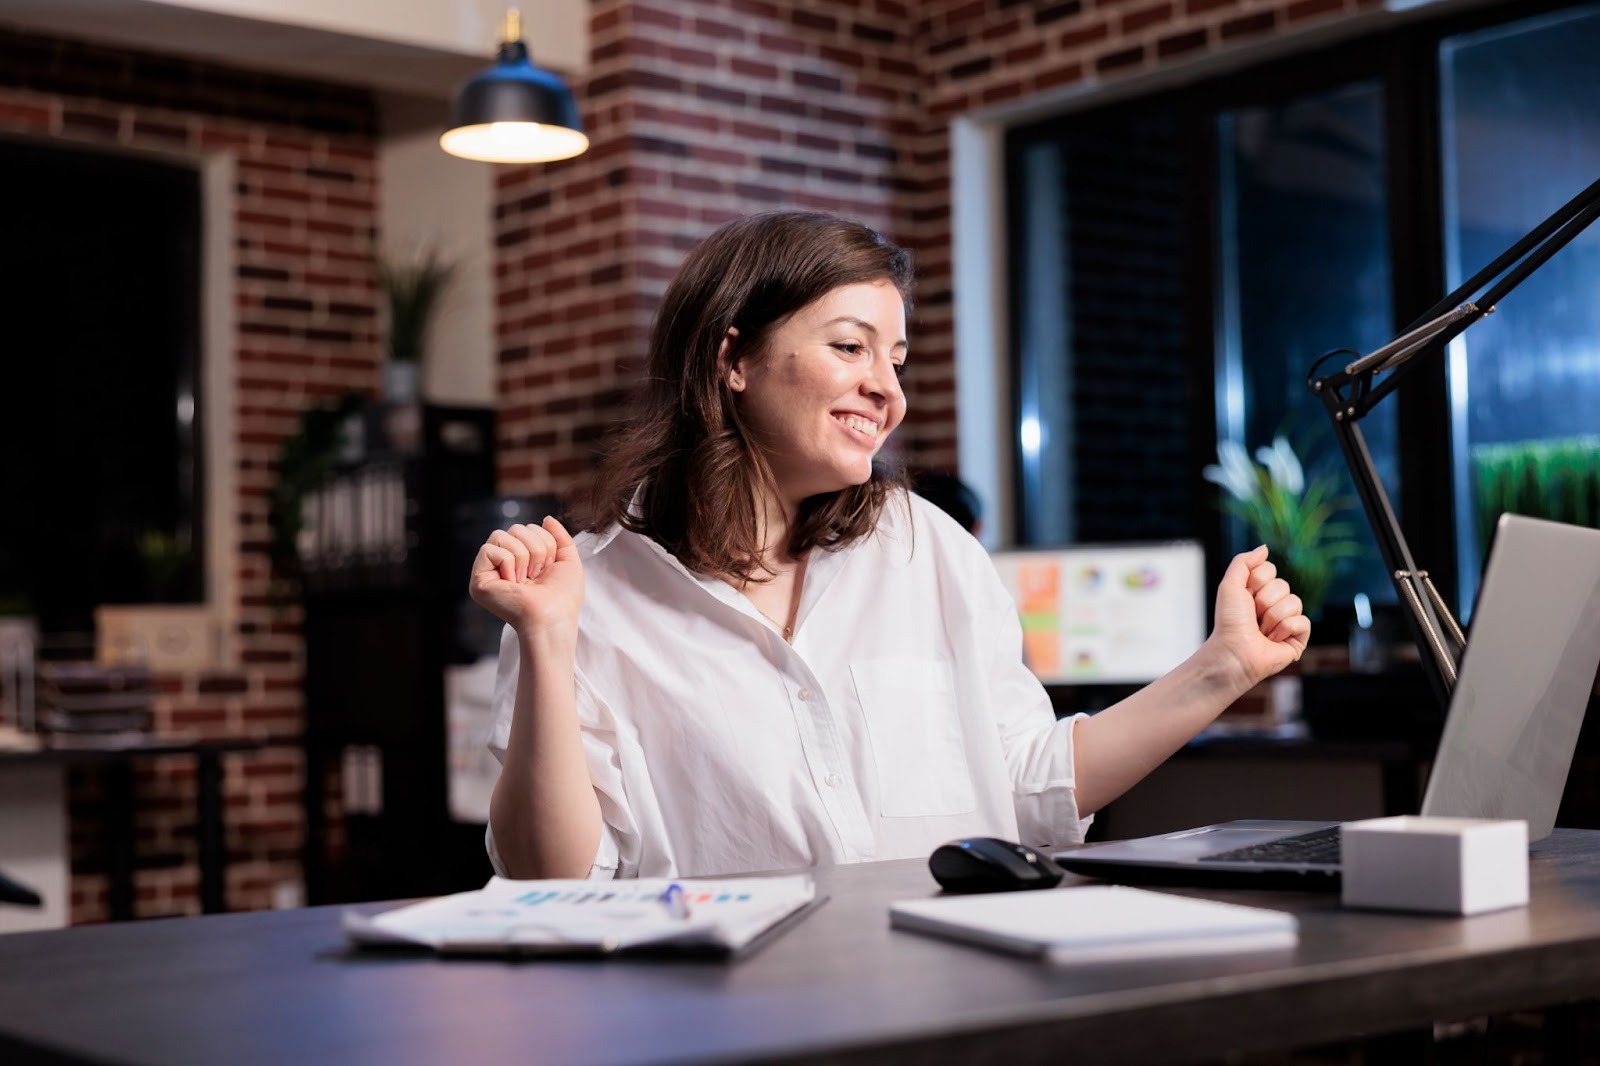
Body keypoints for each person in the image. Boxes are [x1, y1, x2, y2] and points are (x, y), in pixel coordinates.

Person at [469, 211, 1310, 881]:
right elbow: (557, 877)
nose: (887, 388)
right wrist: (545, 641)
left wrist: (1224, 668)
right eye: (850, 347)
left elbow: (1031, 785)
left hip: (948, 1003)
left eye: (897, 359)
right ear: (733, 358)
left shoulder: (928, 548)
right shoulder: (588, 592)